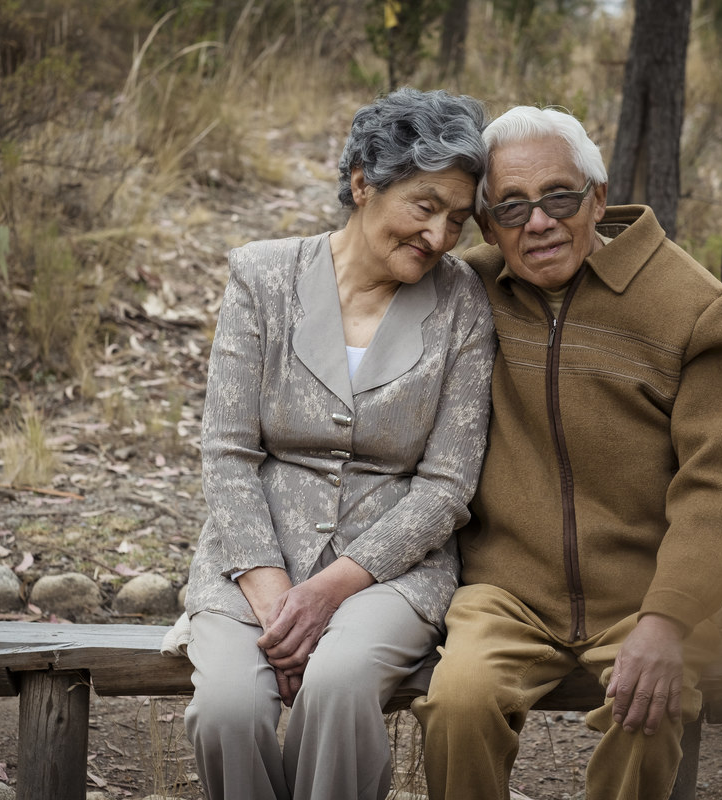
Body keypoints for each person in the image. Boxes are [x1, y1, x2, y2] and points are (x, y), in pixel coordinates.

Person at [413, 105, 722, 799]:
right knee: (457, 703)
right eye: (510, 208)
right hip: (504, 594)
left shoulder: (694, 308)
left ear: (597, 199)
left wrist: (668, 619)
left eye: (559, 198)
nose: (538, 223)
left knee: (650, 714)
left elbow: (721, 487)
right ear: (488, 227)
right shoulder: (464, 292)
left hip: (645, 596)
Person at [178, 88, 496, 800]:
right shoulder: (262, 277)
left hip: (389, 571)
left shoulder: (462, 303)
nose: (440, 236)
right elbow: (227, 453)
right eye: (424, 205)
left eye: (457, 219)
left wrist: (326, 593)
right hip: (251, 561)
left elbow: (448, 485)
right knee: (227, 711)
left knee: (340, 684)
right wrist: (275, 600)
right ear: (362, 183)